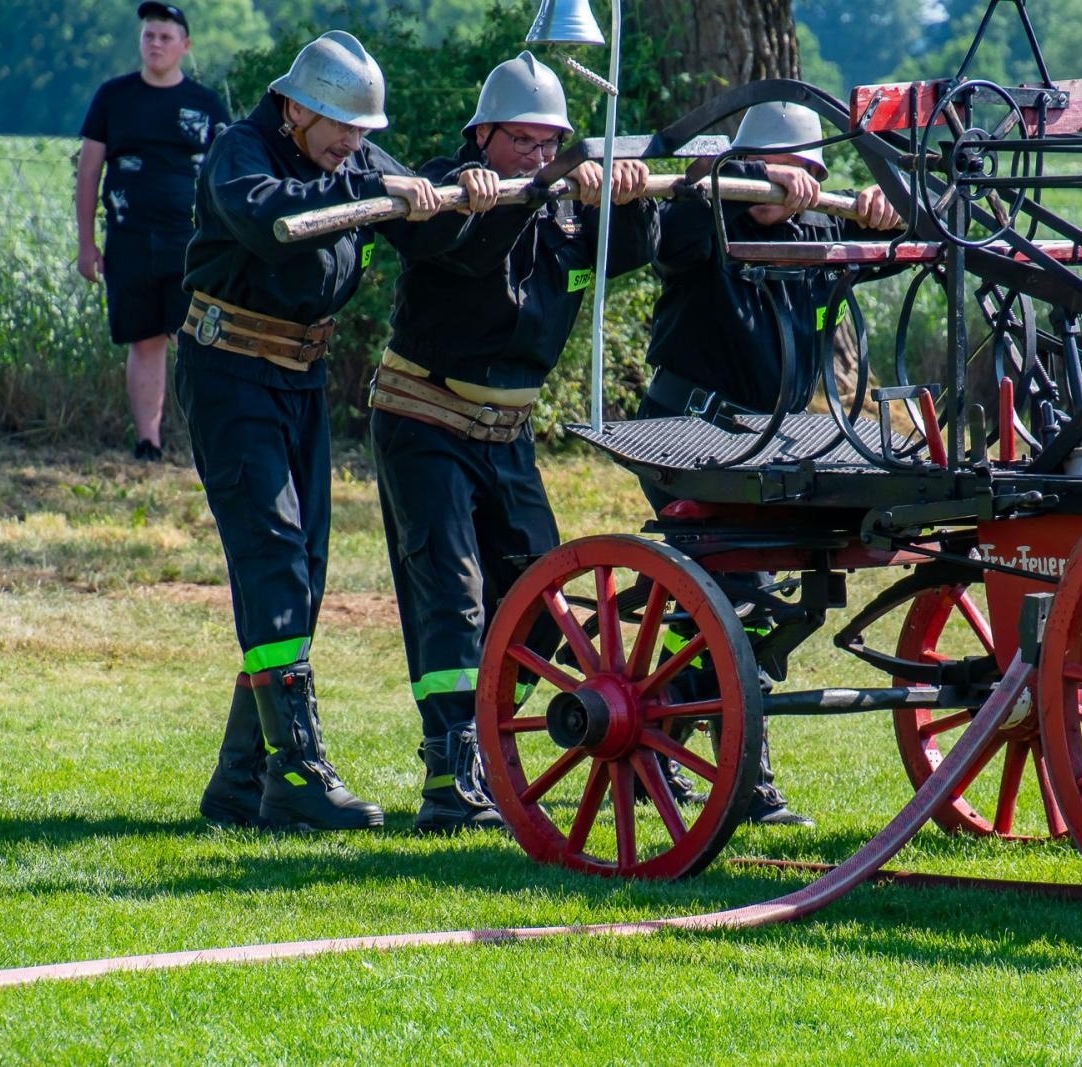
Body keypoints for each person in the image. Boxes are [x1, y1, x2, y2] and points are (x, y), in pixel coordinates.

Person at [369, 52, 657, 834]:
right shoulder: (445, 191)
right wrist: (518, 194)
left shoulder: (566, 209)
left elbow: (629, 253)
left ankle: (486, 735)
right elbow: (460, 251)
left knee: (543, 600)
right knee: (452, 595)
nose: (535, 156)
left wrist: (627, 201)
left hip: (507, 435)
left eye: (549, 142)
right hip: (425, 421)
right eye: (521, 141)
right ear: (482, 135)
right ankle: (450, 768)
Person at [181, 31, 444, 831]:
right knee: (274, 560)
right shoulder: (240, 152)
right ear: (295, 108)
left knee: (304, 571)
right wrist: (369, 189)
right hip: (230, 373)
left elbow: (423, 215)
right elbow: (269, 221)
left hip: (300, 377)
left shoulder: (348, 158)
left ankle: (241, 782)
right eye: (341, 127)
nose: (352, 144)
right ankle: (296, 768)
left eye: (363, 132)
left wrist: (457, 189)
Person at [635, 101, 903, 827]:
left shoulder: (818, 229)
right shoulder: (702, 218)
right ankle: (746, 775)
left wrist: (883, 208)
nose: (795, 187)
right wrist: (735, 186)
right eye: (778, 172)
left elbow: (909, 225)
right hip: (683, 433)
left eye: (807, 173)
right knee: (741, 596)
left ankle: (662, 721)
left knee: (749, 603)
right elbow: (673, 230)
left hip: (764, 444)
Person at [76, 3, 230, 462]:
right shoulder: (113, 97)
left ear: (185, 45)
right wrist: (86, 244)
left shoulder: (206, 105)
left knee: (194, 341)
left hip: (191, 244)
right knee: (144, 341)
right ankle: (149, 444)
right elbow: (88, 172)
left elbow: (229, 178)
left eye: (165, 37)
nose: (156, 44)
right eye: (149, 35)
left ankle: (213, 443)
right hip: (128, 240)